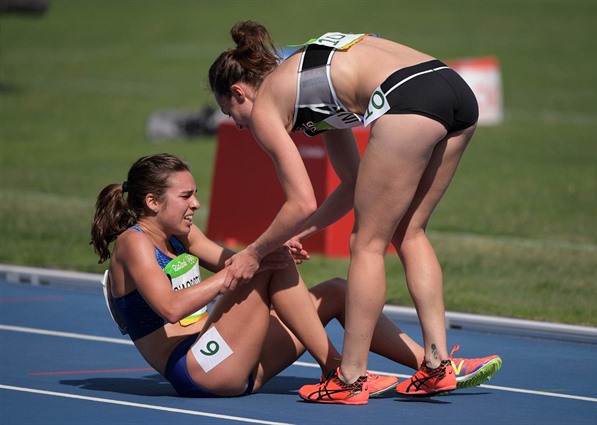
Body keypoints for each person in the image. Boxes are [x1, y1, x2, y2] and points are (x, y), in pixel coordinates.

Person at [209, 22, 488, 404]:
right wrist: (301, 234)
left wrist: (253, 253)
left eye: (231, 112)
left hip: (407, 96)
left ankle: (351, 377)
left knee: (366, 244)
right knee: (408, 232)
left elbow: (300, 201)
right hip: (452, 87)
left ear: (239, 92)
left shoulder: (266, 109)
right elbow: (354, 183)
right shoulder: (308, 87)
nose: (239, 125)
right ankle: (437, 366)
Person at [90, 153, 500, 401]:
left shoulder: (183, 233)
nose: (197, 203)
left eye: (195, 193)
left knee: (338, 291)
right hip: (196, 369)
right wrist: (255, 261)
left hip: (231, 357)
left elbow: (237, 261)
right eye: (186, 196)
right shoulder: (134, 244)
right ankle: (340, 374)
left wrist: (267, 253)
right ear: (151, 201)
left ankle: (435, 366)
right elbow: (171, 306)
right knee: (265, 262)